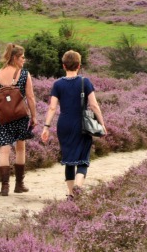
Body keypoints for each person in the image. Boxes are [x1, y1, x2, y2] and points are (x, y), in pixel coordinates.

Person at [41, 50, 107, 201]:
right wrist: (102, 124)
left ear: (64, 66)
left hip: (63, 124)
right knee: (83, 158)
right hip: (81, 124)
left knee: (69, 159)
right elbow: (94, 105)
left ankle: (71, 194)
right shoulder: (85, 82)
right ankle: (78, 186)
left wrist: (46, 127)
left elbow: (52, 108)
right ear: (79, 65)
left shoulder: (57, 84)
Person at [0, 43, 37, 196]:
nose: (24, 60)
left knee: (4, 150)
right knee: (20, 149)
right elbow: (30, 97)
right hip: (20, 116)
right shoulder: (23, 74)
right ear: (15, 58)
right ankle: (19, 185)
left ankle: (4, 187)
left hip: (1, 116)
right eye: (22, 57)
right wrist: (34, 116)